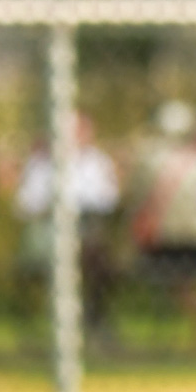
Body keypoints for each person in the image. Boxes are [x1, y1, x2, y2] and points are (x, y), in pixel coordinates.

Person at [14, 114, 121, 335]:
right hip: (47, 233)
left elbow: (109, 198)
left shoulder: (97, 162)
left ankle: (93, 317)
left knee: (102, 260)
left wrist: (77, 203)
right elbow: (24, 203)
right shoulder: (42, 163)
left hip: (86, 230)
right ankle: (66, 324)